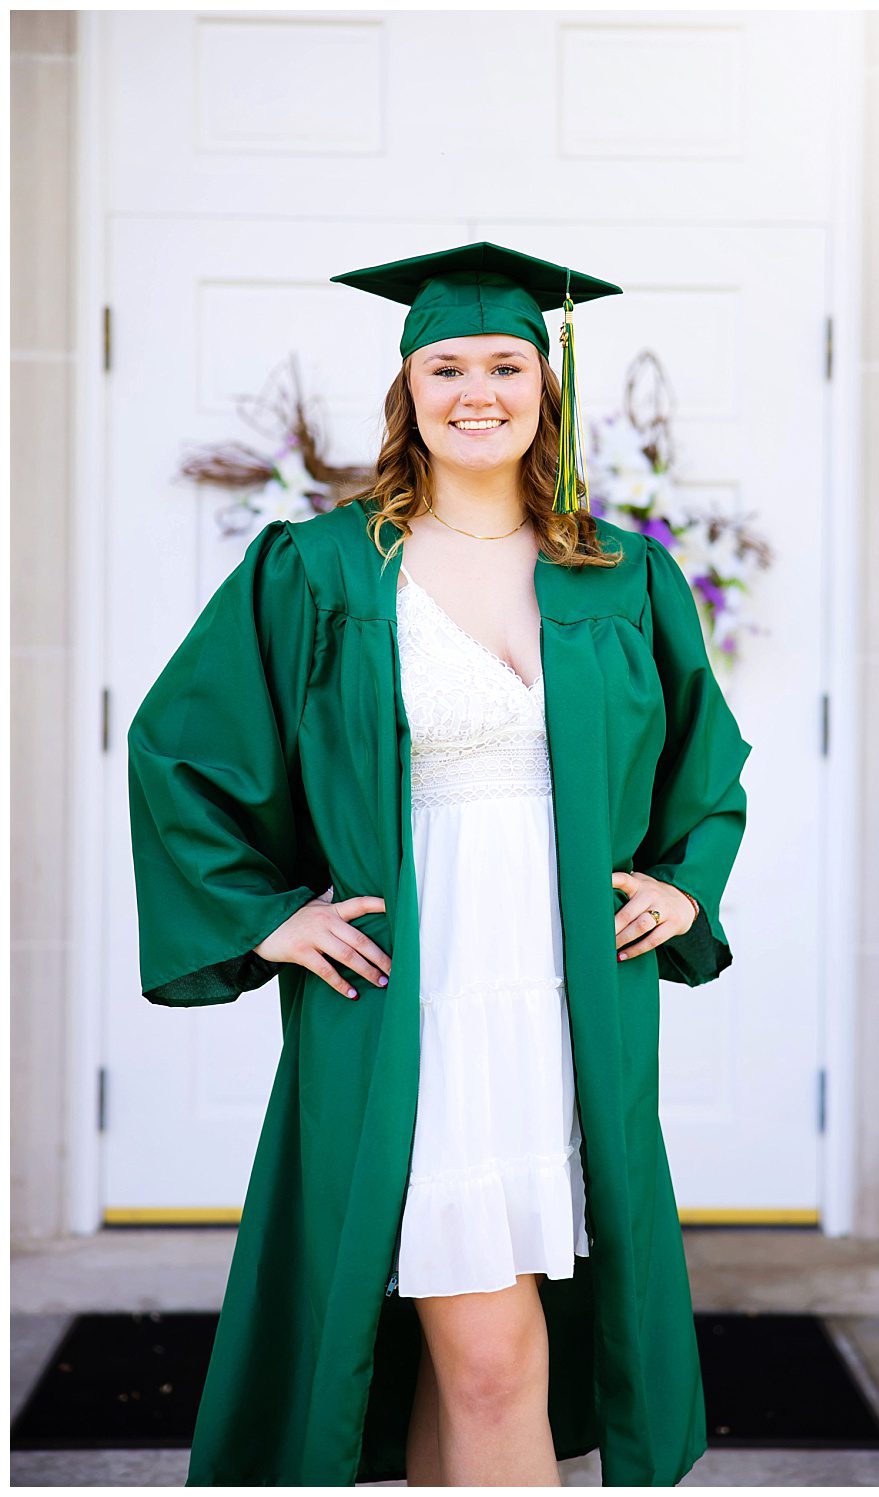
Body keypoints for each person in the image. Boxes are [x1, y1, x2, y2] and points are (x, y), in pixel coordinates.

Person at [127, 242, 752, 1485]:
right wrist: (267, 918)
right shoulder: (318, 571)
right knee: (487, 1362)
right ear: (407, 388)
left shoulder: (622, 575)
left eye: (507, 364)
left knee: (470, 1370)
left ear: (545, 388)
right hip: (411, 997)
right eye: (447, 364)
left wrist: (685, 886)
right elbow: (179, 749)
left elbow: (708, 767)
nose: (480, 389)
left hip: (567, 1001)